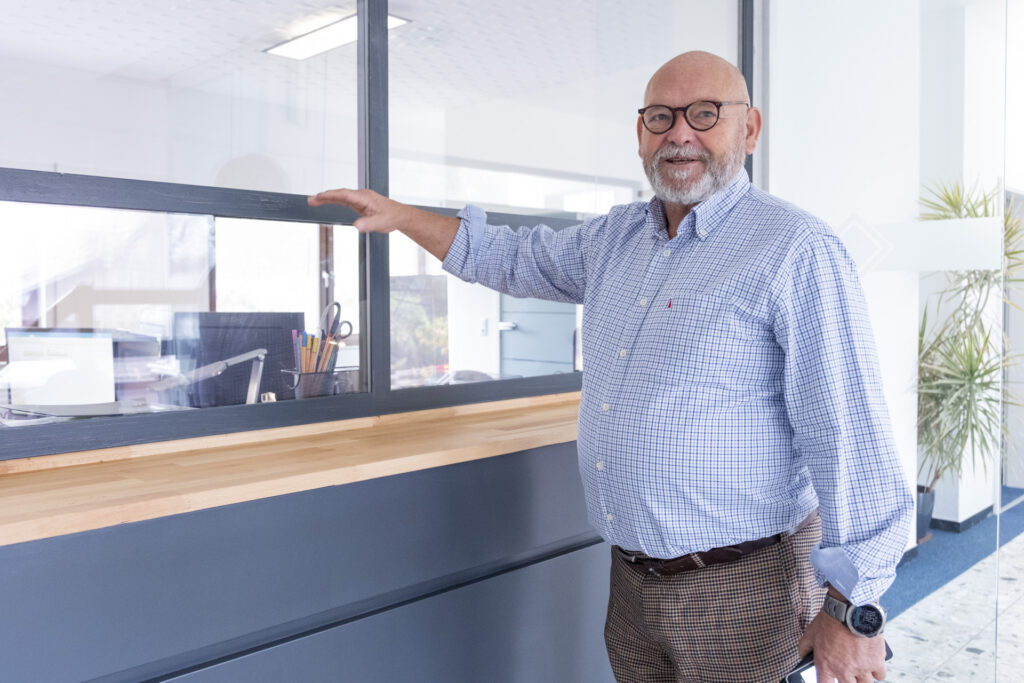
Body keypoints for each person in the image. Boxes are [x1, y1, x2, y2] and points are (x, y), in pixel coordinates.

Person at [310, 50, 913, 683]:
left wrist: (852, 611)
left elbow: (849, 437)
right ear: (640, 134)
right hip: (631, 585)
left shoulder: (795, 249)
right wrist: (404, 218)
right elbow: (512, 258)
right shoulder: (617, 239)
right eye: (660, 117)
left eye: (704, 114)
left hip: (745, 588)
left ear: (750, 129)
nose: (679, 133)